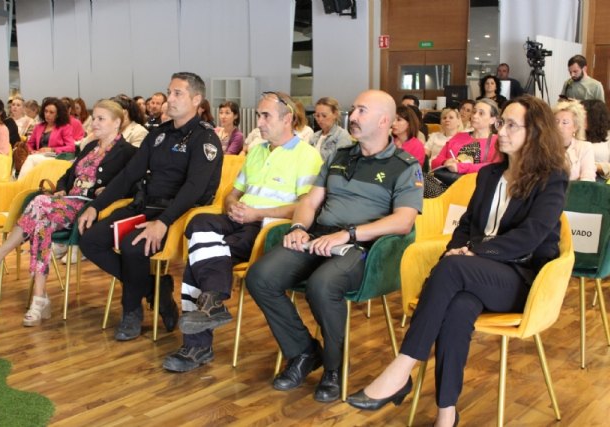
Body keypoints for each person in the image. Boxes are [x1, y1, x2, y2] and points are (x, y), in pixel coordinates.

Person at [347, 95, 569, 427]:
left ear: (535, 132)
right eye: (501, 123)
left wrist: (473, 252)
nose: (500, 131)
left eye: (511, 125)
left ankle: (402, 367)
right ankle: (446, 414)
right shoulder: (489, 174)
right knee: (458, 308)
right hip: (474, 274)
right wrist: (458, 249)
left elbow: (532, 235)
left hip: (521, 279)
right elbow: (466, 226)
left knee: (452, 268)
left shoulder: (552, 178)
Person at [246, 89, 423, 403]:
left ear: (384, 121)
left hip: (363, 247)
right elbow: (309, 202)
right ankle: (303, 352)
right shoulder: (339, 155)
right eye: (353, 109)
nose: (352, 116)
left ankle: (334, 367)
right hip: (319, 236)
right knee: (260, 276)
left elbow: (403, 222)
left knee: (322, 284)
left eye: (362, 111)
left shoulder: (405, 165)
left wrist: (349, 234)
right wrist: (299, 227)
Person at [162, 91, 323, 373]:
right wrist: (232, 205)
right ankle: (212, 303)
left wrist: (256, 214)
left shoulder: (307, 156)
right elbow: (233, 193)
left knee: (199, 256)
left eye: (265, 116)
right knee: (198, 225)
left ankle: (198, 344)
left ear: (287, 119)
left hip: (267, 228)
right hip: (239, 219)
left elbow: (305, 206)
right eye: (259, 115)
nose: (259, 122)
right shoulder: (257, 151)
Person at [78, 72, 223, 342]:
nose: (170, 99)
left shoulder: (205, 139)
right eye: (169, 92)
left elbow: (194, 188)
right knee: (90, 239)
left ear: (196, 100)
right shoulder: (159, 134)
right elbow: (128, 175)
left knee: (133, 246)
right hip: (145, 206)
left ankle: (131, 312)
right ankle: (156, 290)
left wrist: (163, 222)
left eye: (178, 93)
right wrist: (96, 206)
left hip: (177, 215)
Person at [0, 100, 136, 325]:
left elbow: (133, 185)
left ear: (117, 123)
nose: (94, 123)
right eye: (94, 118)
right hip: (64, 204)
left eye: (101, 119)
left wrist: (108, 190)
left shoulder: (128, 152)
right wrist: (61, 189)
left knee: (39, 203)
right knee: (42, 223)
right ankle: (39, 298)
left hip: (89, 209)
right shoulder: (90, 147)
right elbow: (67, 175)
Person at [431, 99, 501, 174]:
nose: (474, 116)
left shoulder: (497, 141)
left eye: (481, 113)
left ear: (492, 120)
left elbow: (494, 167)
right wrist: (445, 162)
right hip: (448, 179)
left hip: (473, 181)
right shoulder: (459, 136)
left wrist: (460, 167)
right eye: (474, 112)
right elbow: (435, 162)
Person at [19, 97, 76, 177]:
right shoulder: (38, 127)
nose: (47, 114)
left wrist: (52, 149)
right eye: (46, 111)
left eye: (51, 112)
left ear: (58, 114)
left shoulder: (65, 127)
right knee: (31, 158)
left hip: (56, 158)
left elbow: (71, 147)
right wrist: (32, 151)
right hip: (38, 156)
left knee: (31, 159)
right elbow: (29, 144)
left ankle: (20, 183)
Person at [553, 100, 596, 181]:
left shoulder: (585, 147)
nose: (558, 126)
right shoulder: (544, 147)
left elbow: (588, 178)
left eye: (565, 122)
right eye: (556, 121)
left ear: (575, 127)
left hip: (577, 189)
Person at [581, 99, 610, 180]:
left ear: (594, 118)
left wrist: (594, 166)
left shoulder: (608, 136)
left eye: (583, 116)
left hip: (602, 179)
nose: (578, 119)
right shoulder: (576, 134)